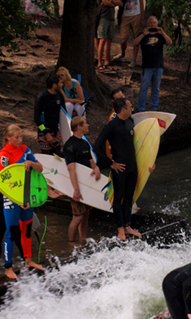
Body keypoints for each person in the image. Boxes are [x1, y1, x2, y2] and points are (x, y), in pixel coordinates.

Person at [0, 125, 44, 279]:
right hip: (11, 198)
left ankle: (28, 260)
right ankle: (8, 267)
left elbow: (40, 168)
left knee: (27, 229)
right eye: (16, 137)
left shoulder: (25, 149)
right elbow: (4, 181)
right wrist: (18, 199)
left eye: (21, 137)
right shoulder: (4, 155)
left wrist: (31, 164)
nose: (20, 140)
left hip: (26, 197)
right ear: (8, 138)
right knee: (12, 232)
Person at [93, 97, 141, 241]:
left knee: (129, 196)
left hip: (132, 166)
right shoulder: (112, 126)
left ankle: (128, 226)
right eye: (130, 106)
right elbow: (97, 147)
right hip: (119, 168)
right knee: (118, 198)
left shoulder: (130, 122)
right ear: (123, 109)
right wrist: (111, 163)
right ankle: (120, 228)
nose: (132, 108)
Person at [63, 116, 101, 243]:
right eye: (85, 123)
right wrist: (76, 190)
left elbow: (91, 161)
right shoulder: (69, 145)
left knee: (85, 215)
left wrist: (96, 168)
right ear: (78, 126)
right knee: (77, 217)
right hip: (76, 186)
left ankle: (82, 241)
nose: (88, 125)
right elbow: (71, 169)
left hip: (87, 184)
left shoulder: (85, 143)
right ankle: (71, 244)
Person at [133, 16, 173, 112]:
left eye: (154, 23)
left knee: (156, 89)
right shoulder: (143, 35)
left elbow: (170, 42)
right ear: (147, 24)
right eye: (150, 23)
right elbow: (134, 43)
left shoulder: (160, 36)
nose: (152, 25)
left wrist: (163, 33)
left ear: (157, 24)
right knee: (143, 88)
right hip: (147, 66)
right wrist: (144, 34)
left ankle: (153, 108)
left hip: (158, 66)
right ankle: (141, 108)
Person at [34, 73, 65, 155]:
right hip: (44, 131)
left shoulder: (60, 96)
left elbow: (64, 115)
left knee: (58, 157)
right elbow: (36, 118)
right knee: (48, 157)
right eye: (60, 83)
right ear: (54, 85)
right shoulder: (42, 97)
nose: (62, 85)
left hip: (56, 131)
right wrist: (46, 133)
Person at [117, 0, 146, 68]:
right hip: (124, 15)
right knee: (123, 39)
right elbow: (117, 1)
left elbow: (141, 3)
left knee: (136, 38)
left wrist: (142, 18)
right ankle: (122, 53)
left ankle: (133, 60)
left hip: (136, 15)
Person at [97, 0, 122, 71]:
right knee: (102, 39)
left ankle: (107, 62)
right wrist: (111, 2)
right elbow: (105, 1)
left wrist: (110, 1)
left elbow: (119, 2)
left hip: (111, 18)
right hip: (103, 18)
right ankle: (100, 62)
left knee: (109, 40)